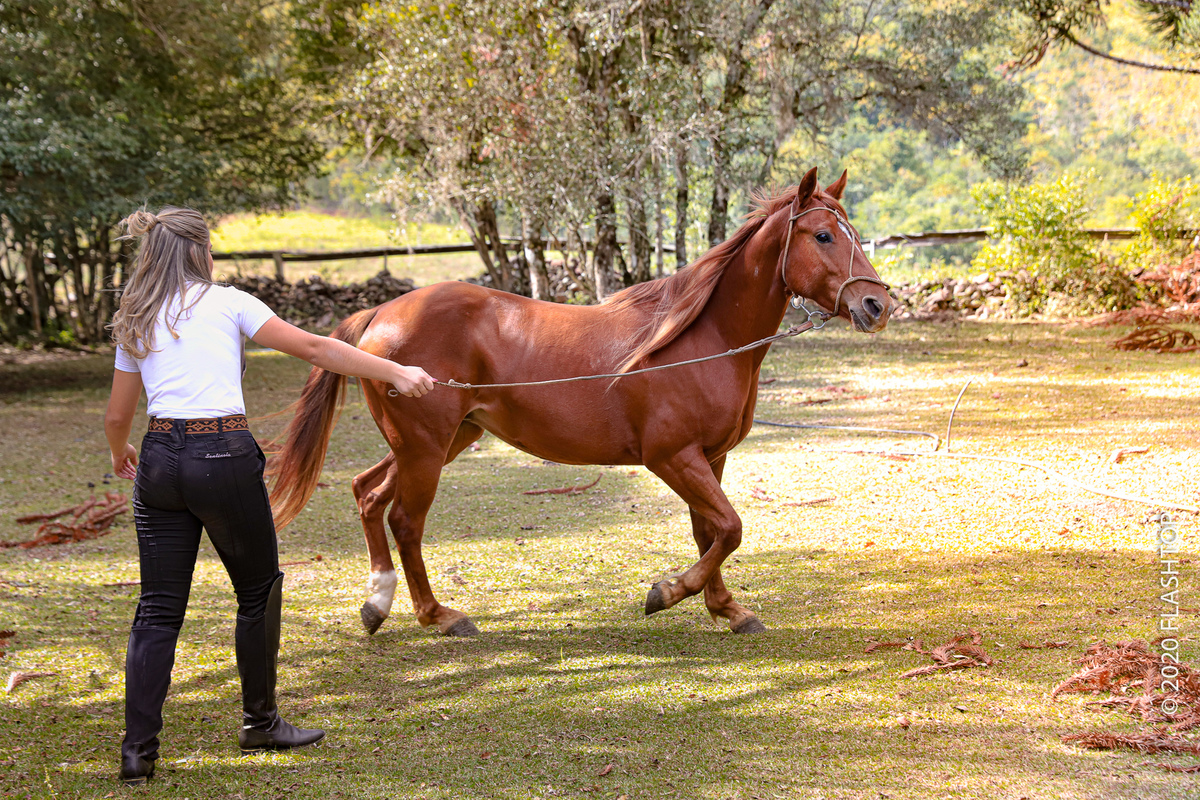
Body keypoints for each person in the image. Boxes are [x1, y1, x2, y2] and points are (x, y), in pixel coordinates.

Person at [103, 207, 435, 786]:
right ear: (199, 254)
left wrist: (120, 453)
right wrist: (397, 371)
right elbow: (314, 349)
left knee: (158, 609)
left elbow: (115, 415)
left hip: (158, 459)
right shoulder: (228, 302)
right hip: (221, 455)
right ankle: (260, 722)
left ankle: (138, 753)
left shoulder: (136, 315)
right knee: (257, 591)